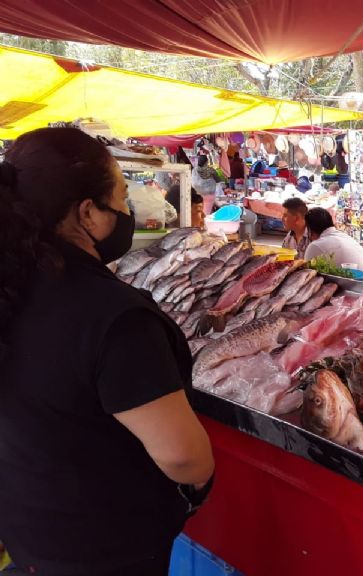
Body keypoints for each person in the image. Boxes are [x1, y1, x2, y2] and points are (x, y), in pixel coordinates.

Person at [0, 128, 215, 575]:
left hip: (29, 532)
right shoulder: (112, 316)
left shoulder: (12, 284)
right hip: (104, 548)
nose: (126, 211)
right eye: (120, 198)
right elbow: (182, 456)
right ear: (87, 214)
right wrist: (197, 482)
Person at [304, 207, 363, 279]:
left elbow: (306, 277)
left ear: (310, 229)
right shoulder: (346, 237)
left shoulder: (316, 246)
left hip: (361, 289)